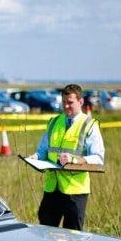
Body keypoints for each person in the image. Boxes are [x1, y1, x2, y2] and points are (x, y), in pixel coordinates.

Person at [27, 84, 105, 231]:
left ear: (80, 102)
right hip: (52, 189)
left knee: (73, 238)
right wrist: (36, 156)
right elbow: (43, 150)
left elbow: (98, 158)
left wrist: (75, 161)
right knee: (45, 234)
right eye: (64, 102)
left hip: (75, 192)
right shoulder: (54, 122)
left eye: (70, 103)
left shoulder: (89, 125)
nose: (66, 106)